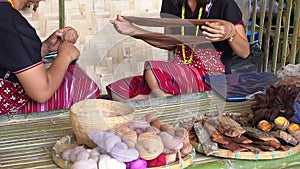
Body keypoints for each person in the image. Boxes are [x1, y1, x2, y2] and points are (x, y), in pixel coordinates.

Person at [107, 0, 250, 101]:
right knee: (118, 91)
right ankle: (161, 99)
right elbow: (170, 43)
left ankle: (162, 102)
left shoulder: (224, 3)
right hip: (179, 69)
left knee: (152, 71)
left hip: (211, 75)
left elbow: (244, 52)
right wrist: (133, 30)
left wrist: (231, 33)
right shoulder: (171, 2)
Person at [0, 0, 101, 115]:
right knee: (82, 85)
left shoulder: (5, 14)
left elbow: (9, 55)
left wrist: (44, 48)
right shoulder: (12, 23)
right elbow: (41, 92)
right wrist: (66, 55)